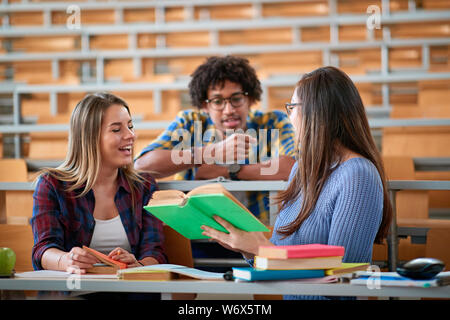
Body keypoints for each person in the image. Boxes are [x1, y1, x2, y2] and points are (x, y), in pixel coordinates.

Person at [200, 66, 393, 299]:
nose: (289, 117)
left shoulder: (358, 175)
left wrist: (259, 247)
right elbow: (282, 262)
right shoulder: (303, 170)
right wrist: (246, 247)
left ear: (316, 112)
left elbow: (340, 281)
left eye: (292, 108)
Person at [134, 55, 296, 270]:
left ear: (250, 99)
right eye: (218, 101)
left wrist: (229, 170)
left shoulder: (272, 121)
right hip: (196, 237)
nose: (228, 109)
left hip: (256, 238)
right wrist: (210, 152)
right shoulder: (190, 122)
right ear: (205, 105)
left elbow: (294, 167)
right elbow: (142, 165)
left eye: (236, 98)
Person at [31, 92, 167, 299]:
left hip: (130, 294)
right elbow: (43, 249)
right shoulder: (52, 184)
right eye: (116, 129)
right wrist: (67, 260)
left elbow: (155, 252)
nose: (130, 135)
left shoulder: (144, 185)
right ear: (89, 138)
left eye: (130, 126)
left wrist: (138, 265)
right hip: (73, 293)